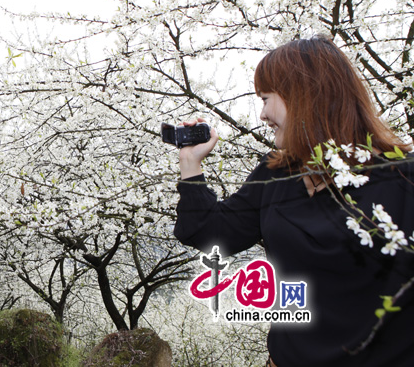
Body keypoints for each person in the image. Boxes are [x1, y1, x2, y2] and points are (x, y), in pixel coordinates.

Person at [173, 35, 414, 367]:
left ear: (304, 96)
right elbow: (210, 233)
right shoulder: (277, 174)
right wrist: (190, 163)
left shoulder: (402, 179)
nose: (262, 115)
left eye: (266, 99)